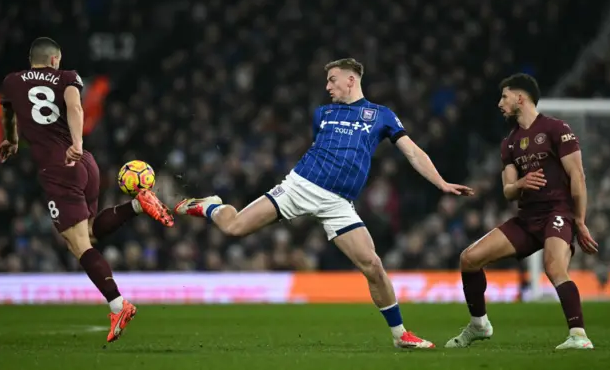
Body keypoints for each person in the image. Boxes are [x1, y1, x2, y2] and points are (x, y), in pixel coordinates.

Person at [175, 58, 474, 349]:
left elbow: (412, 152)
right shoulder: (323, 113)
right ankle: (211, 205)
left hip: (338, 203)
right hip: (300, 186)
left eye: (332, 80)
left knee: (373, 264)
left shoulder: (381, 115)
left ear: (351, 79)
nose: (327, 86)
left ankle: (400, 334)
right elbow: (321, 149)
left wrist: (441, 183)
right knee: (235, 227)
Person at [0, 37, 175, 342]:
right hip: (85, 163)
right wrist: (78, 144)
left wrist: (12, 140)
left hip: (57, 170)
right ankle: (136, 205)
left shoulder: (12, 81)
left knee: (79, 246)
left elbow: (8, 113)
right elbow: (75, 106)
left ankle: (119, 305)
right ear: (55, 60)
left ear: (33, 59)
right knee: (90, 232)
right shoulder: (68, 76)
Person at [445, 73, 598, 350]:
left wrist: (580, 220)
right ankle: (479, 325)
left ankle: (579, 335)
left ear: (520, 97)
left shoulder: (556, 129)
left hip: (557, 212)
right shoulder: (510, 143)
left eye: (504, 96)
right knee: (469, 258)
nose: (499, 103)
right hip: (527, 219)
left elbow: (578, 176)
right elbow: (507, 191)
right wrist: (520, 184)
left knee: (554, 267)